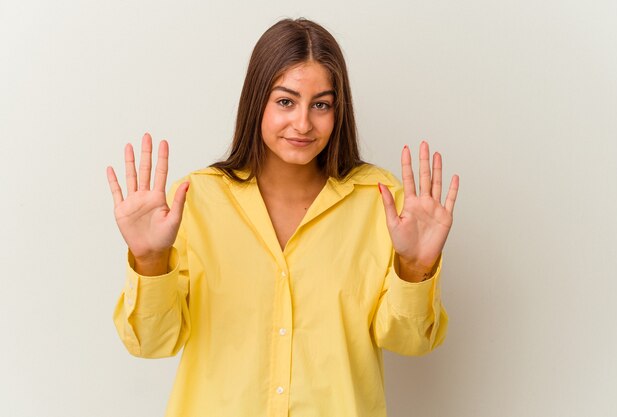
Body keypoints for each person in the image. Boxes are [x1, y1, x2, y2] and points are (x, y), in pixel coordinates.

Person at [107, 17, 459, 417]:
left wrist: (415, 267)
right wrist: (150, 262)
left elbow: (409, 343)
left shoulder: (382, 203)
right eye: (286, 101)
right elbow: (152, 343)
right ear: (257, 100)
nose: (303, 123)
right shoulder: (195, 200)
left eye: (321, 104)